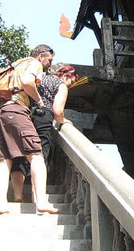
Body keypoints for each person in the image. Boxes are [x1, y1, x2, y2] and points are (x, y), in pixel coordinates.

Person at [0, 44, 59, 215]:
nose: (49, 64)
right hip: (14, 109)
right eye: (49, 60)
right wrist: (40, 101)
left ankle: (2, 204)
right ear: (40, 56)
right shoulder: (33, 64)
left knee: (3, 161)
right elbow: (27, 82)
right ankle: (42, 202)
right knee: (36, 155)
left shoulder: (9, 67)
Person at [9, 64, 81, 201]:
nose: (71, 84)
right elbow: (58, 110)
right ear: (66, 74)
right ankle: (36, 197)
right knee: (40, 156)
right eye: (72, 80)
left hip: (25, 115)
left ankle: (17, 195)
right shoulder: (60, 85)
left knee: (20, 154)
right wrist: (63, 120)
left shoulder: (39, 79)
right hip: (42, 117)